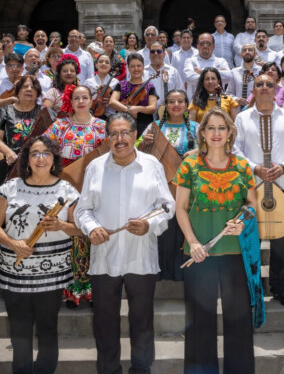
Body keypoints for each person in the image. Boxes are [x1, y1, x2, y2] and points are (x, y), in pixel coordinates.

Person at [74, 113, 175, 374]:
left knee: (142, 322)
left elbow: (166, 206)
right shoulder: (95, 167)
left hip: (140, 257)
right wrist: (92, 227)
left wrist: (149, 225)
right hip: (104, 257)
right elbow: (82, 210)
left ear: (134, 135)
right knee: (105, 323)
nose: (120, 139)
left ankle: (141, 369)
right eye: (114, 134)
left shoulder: (152, 164)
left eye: (125, 133)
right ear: (108, 138)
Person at [0, 136, 81, 374]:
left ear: (54, 159)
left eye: (46, 153)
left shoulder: (67, 190)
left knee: (48, 328)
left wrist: (61, 227)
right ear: (26, 159)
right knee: (19, 330)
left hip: (52, 273)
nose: (41, 158)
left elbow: (79, 229)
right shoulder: (11, 187)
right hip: (14, 272)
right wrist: (12, 242)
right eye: (35, 153)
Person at [174, 108, 257, 373]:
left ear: (230, 132)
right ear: (203, 133)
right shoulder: (190, 165)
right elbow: (181, 208)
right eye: (211, 128)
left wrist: (243, 222)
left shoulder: (243, 166)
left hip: (235, 253)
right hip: (200, 254)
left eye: (222, 128)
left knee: (238, 319)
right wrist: (193, 242)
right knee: (200, 321)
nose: (217, 133)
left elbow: (252, 205)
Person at [234, 74, 284, 306]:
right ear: (253, 89)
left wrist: (282, 167)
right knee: (251, 241)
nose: (264, 88)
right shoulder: (243, 118)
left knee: (280, 244)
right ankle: (251, 288)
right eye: (260, 84)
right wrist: (255, 168)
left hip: (282, 185)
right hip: (253, 187)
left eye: (269, 85)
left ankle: (280, 287)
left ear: (276, 90)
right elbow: (235, 150)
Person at [44, 86, 108, 307]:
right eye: (76, 97)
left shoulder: (102, 126)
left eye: (85, 97)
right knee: (73, 236)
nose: (81, 101)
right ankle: (73, 289)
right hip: (67, 186)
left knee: (93, 233)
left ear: (92, 100)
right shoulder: (60, 125)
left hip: (96, 186)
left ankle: (93, 289)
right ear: (70, 101)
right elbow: (44, 151)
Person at [139, 89, 198, 282]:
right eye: (171, 101)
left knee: (181, 228)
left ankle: (180, 272)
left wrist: (197, 151)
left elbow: (209, 149)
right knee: (162, 227)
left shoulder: (197, 127)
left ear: (186, 105)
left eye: (180, 101)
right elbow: (136, 150)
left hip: (186, 185)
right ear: (165, 106)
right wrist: (142, 143)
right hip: (159, 185)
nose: (176, 105)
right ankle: (160, 271)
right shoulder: (154, 126)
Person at [0, 75, 43, 170]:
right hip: (11, 164)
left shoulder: (44, 113)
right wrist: (8, 152)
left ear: (38, 93)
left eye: (33, 87)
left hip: (39, 164)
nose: (29, 89)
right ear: (18, 92)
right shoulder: (6, 111)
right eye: (25, 87)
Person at [109, 53, 159, 133]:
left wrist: (138, 109)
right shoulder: (121, 84)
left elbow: (152, 108)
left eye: (139, 66)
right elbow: (112, 102)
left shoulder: (150, 87)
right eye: (132, 66)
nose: (136, 69)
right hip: (123, 125)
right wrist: (128, 109)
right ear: (128, 68)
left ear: (143, 67)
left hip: (144, 126)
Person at [183, 33, 231, 100]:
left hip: (217, 101)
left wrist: (202, 72)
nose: (205, 46)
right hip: (196, 101)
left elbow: (228, 76)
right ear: (197, 46)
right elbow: (190, 78)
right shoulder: (190, 61)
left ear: (213, 46)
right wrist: (217, 76)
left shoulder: (221, 61)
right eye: (202, 43)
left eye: (208, 43)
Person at [144, 41, 185, 111]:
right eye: (152, 51)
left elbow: (181, 93)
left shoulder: (173, 72)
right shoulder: (143, 71)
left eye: (159, 51)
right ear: (149, 54)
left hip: (169, 113)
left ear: (164, 54)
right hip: (147, 113)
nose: (155, 53)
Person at [86, 53, 120, 120]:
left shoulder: (115, 82)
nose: (103, 64)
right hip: (92, 115)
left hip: (110, 116)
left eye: (107, 62)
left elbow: (118, 101)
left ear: (110, 66)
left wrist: (111, 100)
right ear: (96, 65)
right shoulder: (88, 82)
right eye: (101, 61)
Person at [229, 43, 261, 108]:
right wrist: (235, 99)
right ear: (241, 54)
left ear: (255, 53)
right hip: (238, 110)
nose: (247, 52)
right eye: (244, 50)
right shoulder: (234, 72)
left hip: (256, 109)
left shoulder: (261, 71)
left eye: (250, 50)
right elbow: (228, 93)